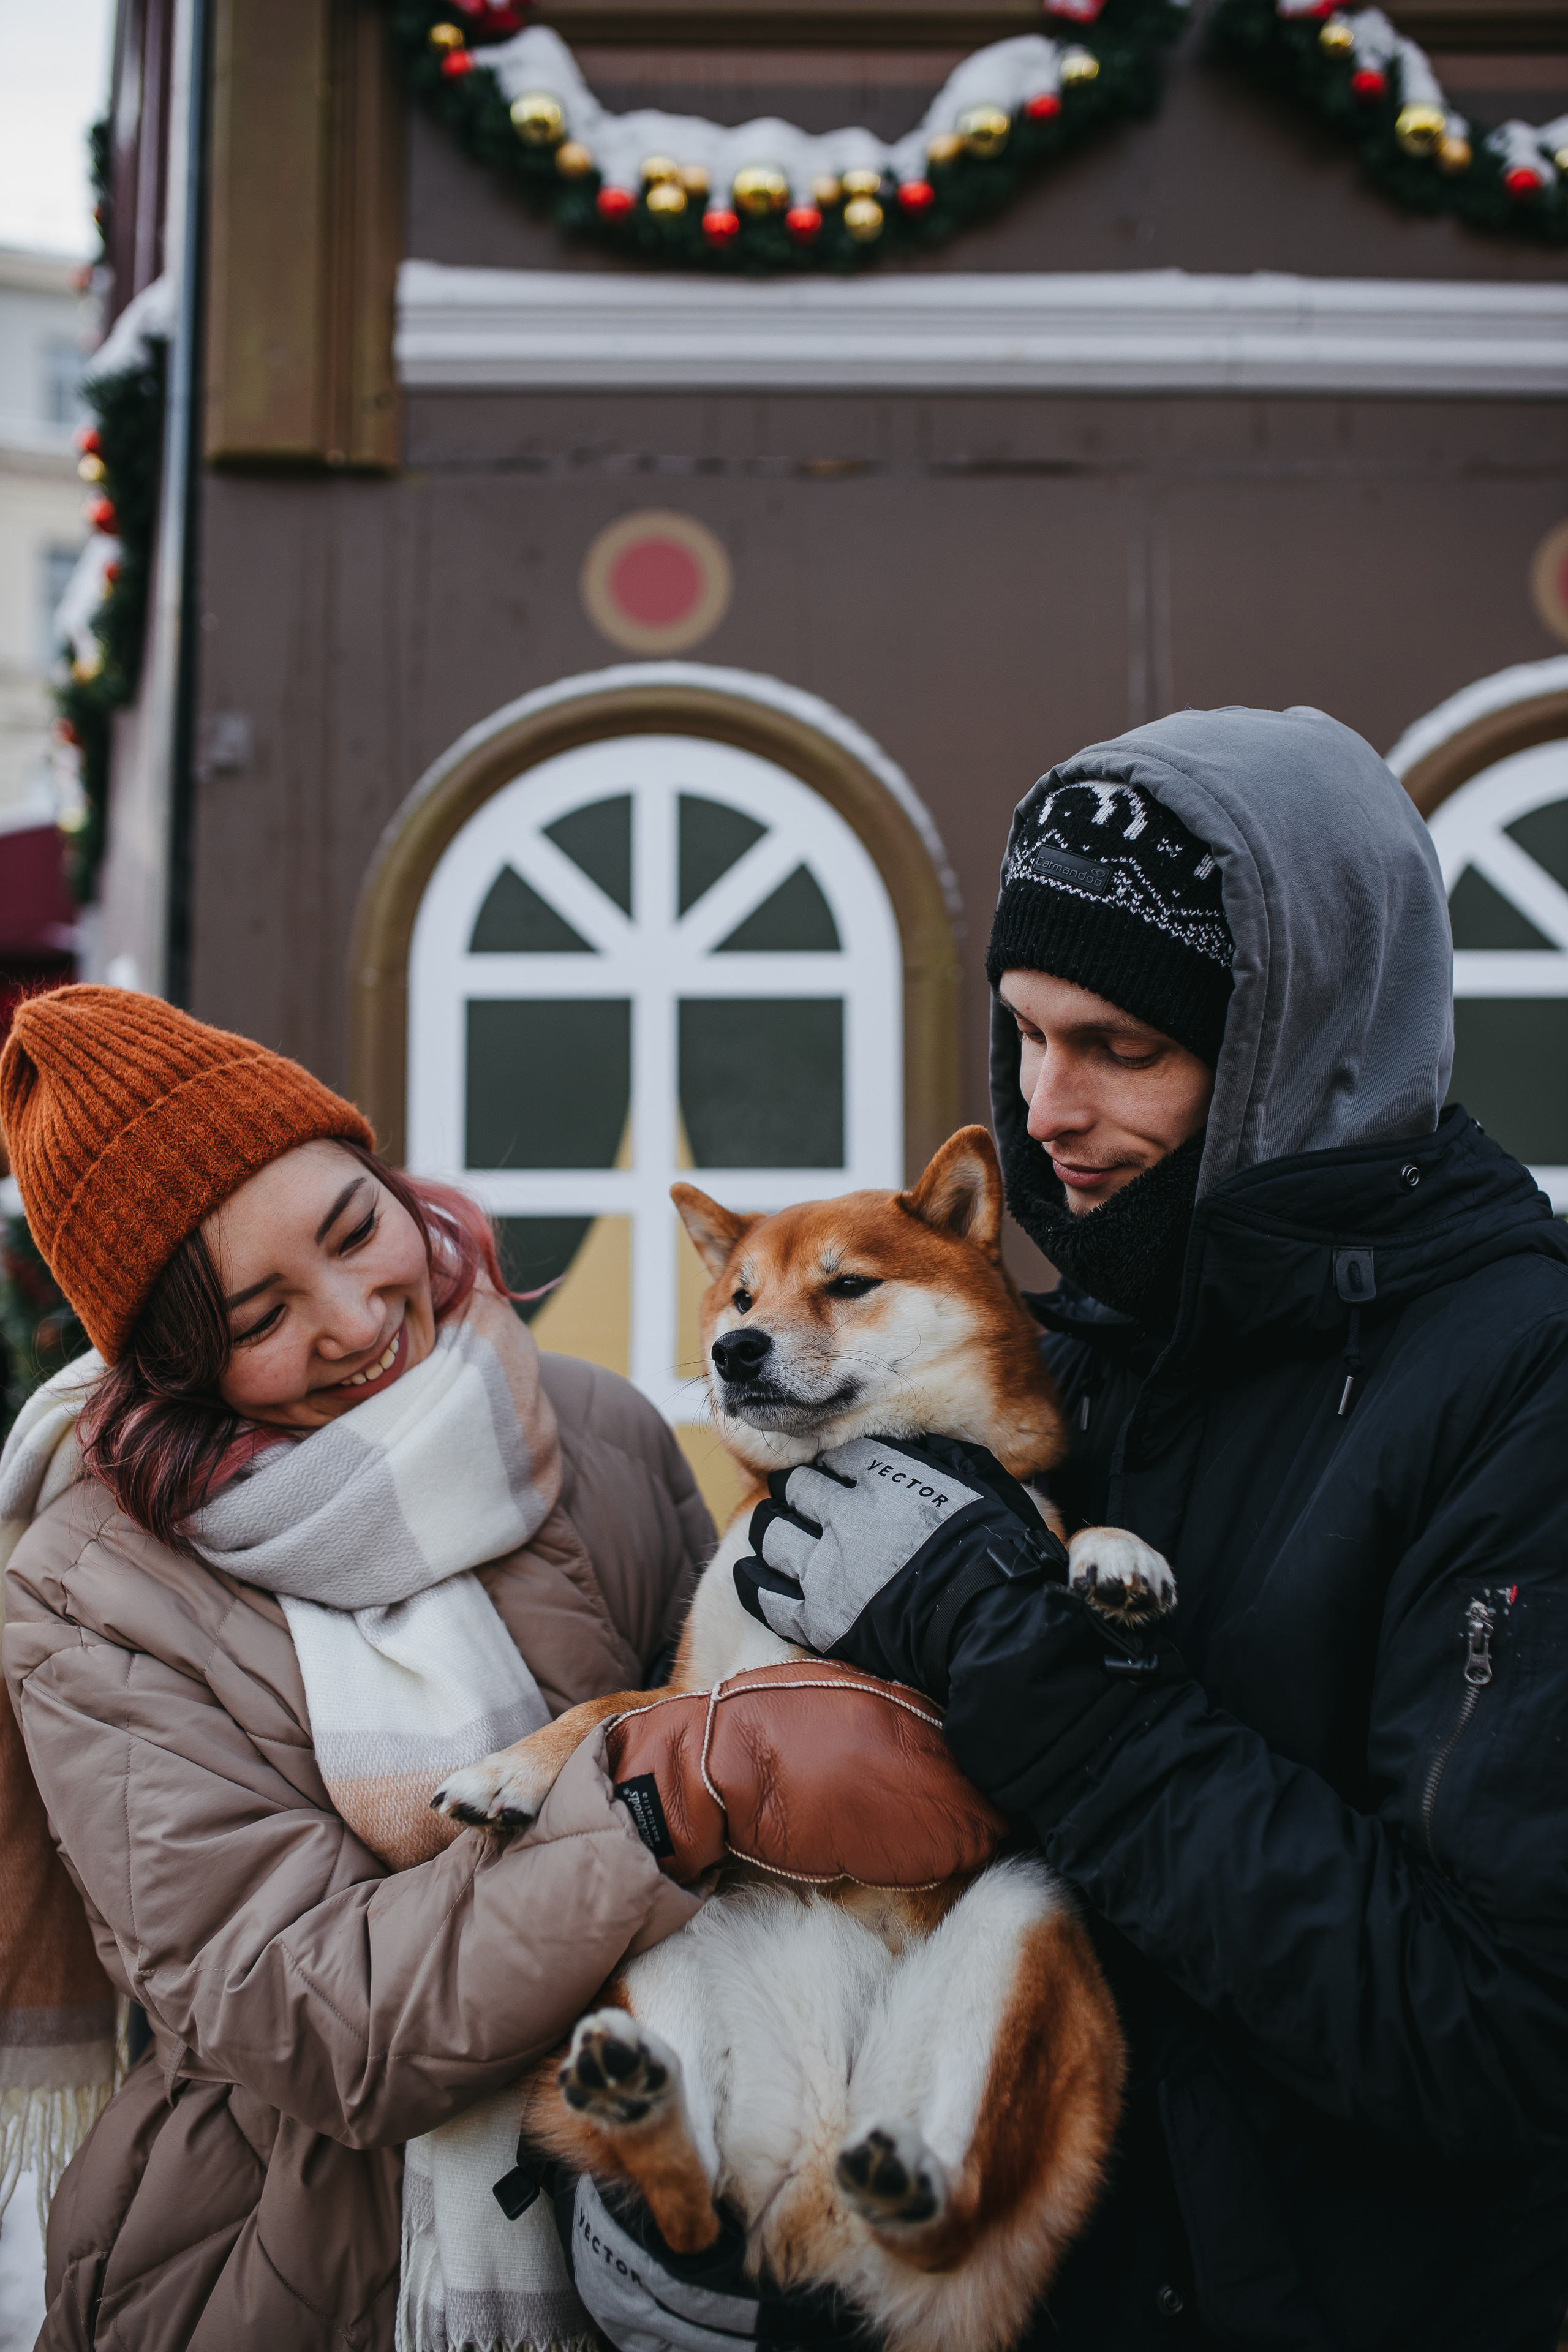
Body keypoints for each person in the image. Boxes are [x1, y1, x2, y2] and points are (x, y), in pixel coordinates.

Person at [739, 705, 1568, 2351]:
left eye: (1123, 1048)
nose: (1047, 1105)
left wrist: (1021, 1657)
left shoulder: (1514, 1374)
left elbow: (1495, 2035)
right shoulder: (1084, 1346)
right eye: (1027, 1032)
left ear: (1303, 1044)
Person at [0, 987, 962, 2352]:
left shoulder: (593, 1428)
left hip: (658, 2215)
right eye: (260, 1314)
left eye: (354, 1230)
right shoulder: (90, 1592)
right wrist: (668, 1794)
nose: (352, 1319)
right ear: (169, 1360)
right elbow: (314, 2017)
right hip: (294, 2269)